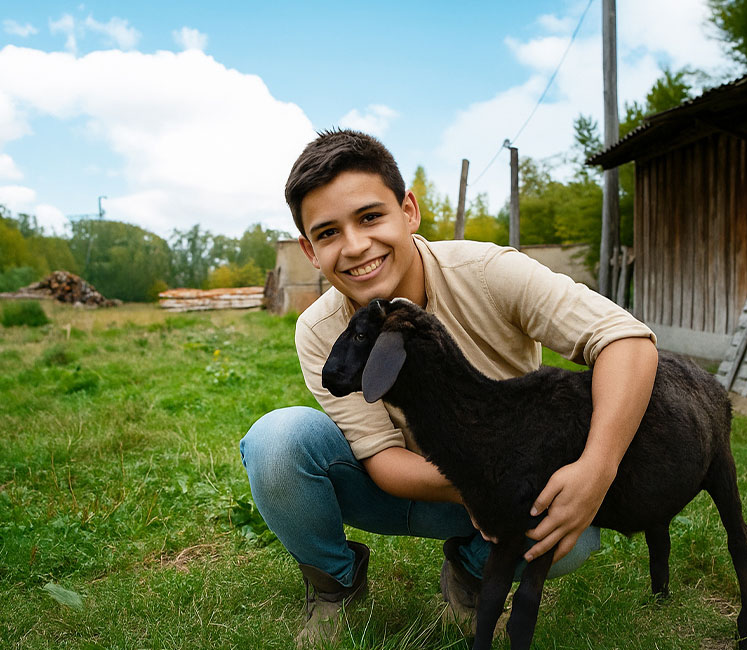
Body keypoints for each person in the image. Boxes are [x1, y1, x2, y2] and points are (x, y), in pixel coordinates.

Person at [240, 129, 658, 646]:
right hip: (403, 488)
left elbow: (627, 341)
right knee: (276, 441)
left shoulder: (488, 272)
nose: (355, 247)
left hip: (507, 488)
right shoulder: (321, 329)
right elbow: (384, 461)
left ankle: (472, 573)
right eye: (327, 233)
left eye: (371, 217)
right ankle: (335, 588)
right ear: (309, 250)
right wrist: (488, 486)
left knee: (571, 538)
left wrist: (598, 465)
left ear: (408, 211)